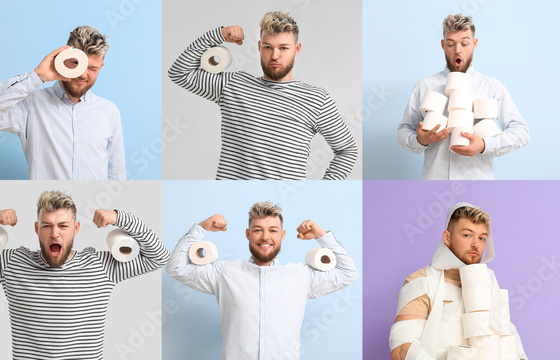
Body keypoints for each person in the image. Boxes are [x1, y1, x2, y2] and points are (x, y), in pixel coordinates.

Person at [0, 190, 168, 358]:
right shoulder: (13, 264)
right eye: (46, 226)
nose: (55, 234)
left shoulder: (101, 266)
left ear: (76, 228)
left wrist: (121, 217)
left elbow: (158, 257)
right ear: (36, 228)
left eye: (63, 226)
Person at [168, 11, 357, 180]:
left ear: (297, 49)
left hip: (282, 204)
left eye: (283, 48)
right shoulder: (234, 85)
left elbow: (347, 150)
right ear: (259, 47)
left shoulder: (317, 99)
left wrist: (322, 190)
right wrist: (219, 34)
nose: (275, 55)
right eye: (268, 47)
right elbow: (179, 73)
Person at [165, 201, 358, 359]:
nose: (265, 237)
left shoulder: (300, 276)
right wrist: (200, 229)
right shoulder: (224, 273)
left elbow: (348, 273)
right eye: (257, 230)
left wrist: (322, 237)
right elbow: (176, 267)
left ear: (282, 236)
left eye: (273, 230)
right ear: (248, 234)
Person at [0, 26, 125, 180]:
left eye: (92, 68)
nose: (83, 74)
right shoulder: (31, 105)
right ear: (63, 59)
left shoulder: (109, 111)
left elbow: (116, 175)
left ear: (101, 67)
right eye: (77, 64)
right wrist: (37, 76)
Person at [396, 14, 529, 180]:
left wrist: (485, 145)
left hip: (478, 184)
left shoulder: (492, 87)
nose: (458, 50)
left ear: (474, 44)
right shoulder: (425, 86)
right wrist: (420, 140)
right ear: (443, 45)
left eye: (464, 43)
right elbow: (404, 129)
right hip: (434, 182)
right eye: (451, 44)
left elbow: (521, 132)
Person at [389, 202, 526, 360]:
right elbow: (401, 348)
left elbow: (511, 344)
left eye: (482, 238)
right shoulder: (422, 282)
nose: (476, 244)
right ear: (447, 237)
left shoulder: (487, 285)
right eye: (467, 235)